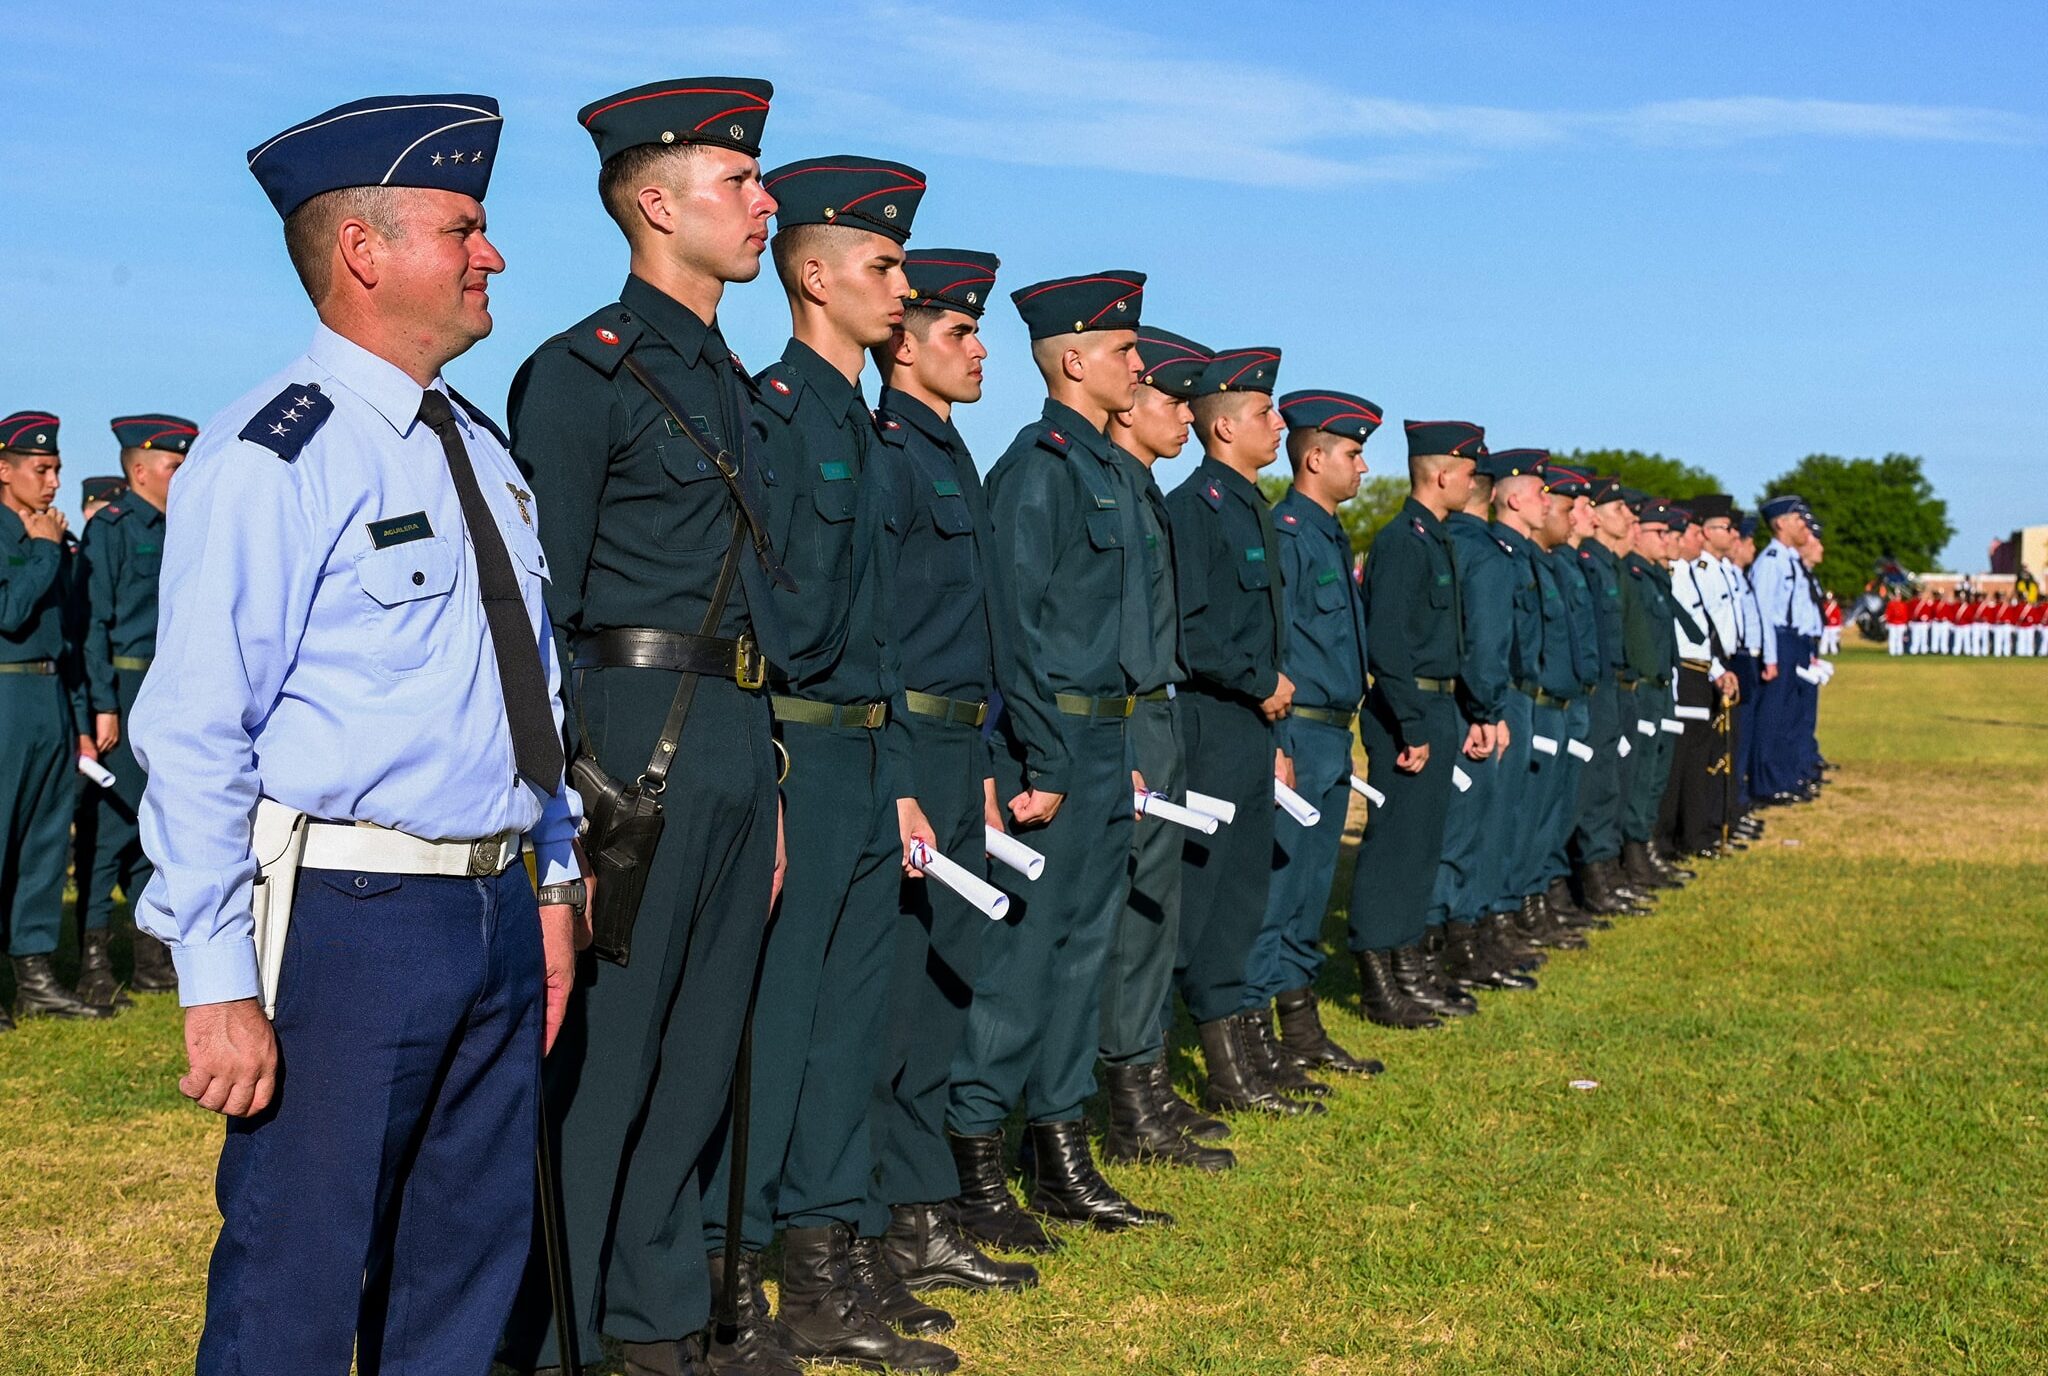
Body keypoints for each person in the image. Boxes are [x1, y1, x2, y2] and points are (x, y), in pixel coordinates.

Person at [132, 94, 589, 1375]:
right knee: (299, 1266)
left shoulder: (480, 450)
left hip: (494, 906)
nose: (492, 254)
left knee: (464, 1263)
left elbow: (524, 694)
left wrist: (550, 878)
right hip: (350, 911)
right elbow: (198, 724)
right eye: (466, 228)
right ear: (365, 252)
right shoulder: (279, 452)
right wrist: (216, 979)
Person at [494, 79, 792, 1376]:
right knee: (607, 1064)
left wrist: (766, 777)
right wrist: (552, 804)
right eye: (738, 183)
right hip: (624, 738)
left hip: (730, 735)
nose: (764, 202)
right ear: (656, 202)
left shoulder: (742, 388)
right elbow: (528, 611)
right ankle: (554, 1337)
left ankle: (658, 1324)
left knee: (697, 1053)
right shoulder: (579, 375)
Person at [695, 152, 959, 1376]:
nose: (900, 287)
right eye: (882, 265)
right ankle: (736, 1284)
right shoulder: (777, 413)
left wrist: (898, 763)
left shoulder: (863, 419)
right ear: (811, 274)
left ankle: (829, 1261)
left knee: (851, 1026)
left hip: (863, 753)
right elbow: (767, 611)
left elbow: (887, 631)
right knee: (780, 1028)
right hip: (797, 747)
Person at [949, 269, 1171, 1254]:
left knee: (1083, 948)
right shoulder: (1036, 469)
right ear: (1072, 359)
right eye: (1123, 350)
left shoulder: (1109, 470)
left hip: (1103, 735)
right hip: (1050, 740)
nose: (1137, 363)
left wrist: (1110, 743)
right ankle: (973, 1159)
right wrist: (1025, 752)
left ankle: (1061, 1144)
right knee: (1022, 956)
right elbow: (1011, 631)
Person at [866, 247, 1048, 1300]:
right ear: (903, 343)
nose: (980, 351)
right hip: (904, 749)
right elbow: (880, 632)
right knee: (892, 1005)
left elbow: (970, 634)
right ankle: (881, 1223)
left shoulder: (945, 451)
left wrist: (981, 762)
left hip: (953, 749)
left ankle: (920, 1213)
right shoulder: (889, 451)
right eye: (958, 334)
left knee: (939, 990)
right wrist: (903, 768)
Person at [1167, 346, 1334, 1112]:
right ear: (1226, 428)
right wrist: (1260, 680)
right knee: (1206, 900)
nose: (1279, 425)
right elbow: (1191, 630)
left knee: (1242, 897)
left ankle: (1244, 1062)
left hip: (1251, 730)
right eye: (1266, 415)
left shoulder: (1251, 508)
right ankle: (1219, 1067)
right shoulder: (1194, 507)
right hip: (1212, 722)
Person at [1098, 326, 1245, 1161]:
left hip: (1160, 713)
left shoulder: (1144, 492)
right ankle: (1128, 1105)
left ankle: (1145, 1086)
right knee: (1130, 919)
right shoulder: (1115, 488)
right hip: (1126, 721)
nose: (1187, 416)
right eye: (1172, 399)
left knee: (1156, 914)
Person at [1258, 390, 1388, 1070]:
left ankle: (1301, 1031)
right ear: (1315, 458)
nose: (1363, 469)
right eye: (1354, 454)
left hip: (1335, 733)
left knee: (1310, 886)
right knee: (1282, 886)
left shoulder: (1329, 534)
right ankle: (1263, 1037)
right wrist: (1277, 747)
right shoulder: (1285, 533)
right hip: (1298, 733)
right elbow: (1274, 650)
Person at [1346, 421, 1482, 1028]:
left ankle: (1410, 965)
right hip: (1410, 711)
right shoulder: (1402, 541)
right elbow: (1388, 643)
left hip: (1436, 706)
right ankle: (1380, 981)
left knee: (1422, 848)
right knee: (1394, 849)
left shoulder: (1436, 538)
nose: (1476, 481)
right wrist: (1411, 722)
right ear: (1442, 473)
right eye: (1470, 471)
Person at [71, 414, 195, 1009]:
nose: (182, 474)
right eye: (174, 465)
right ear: (140, 470)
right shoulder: (114, 528)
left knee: (162, 826)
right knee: (112, 830)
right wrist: (101, 705)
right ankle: (95, 963)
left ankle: (152, 957)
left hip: (174, 691)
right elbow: (91, 623)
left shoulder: (189, 526)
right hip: (124, 690)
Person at [1, 411, 110, 1028]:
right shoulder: (35, 540)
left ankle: (35, 974)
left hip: (50, 700)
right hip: (6, 698)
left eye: (58, 470)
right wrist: (44, 551)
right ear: (4, 470)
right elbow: (11, 614)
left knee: (45, 843)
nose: (52, 482)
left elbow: (67, 637)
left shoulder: (54, 538)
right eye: (40, 470)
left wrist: (81, 724)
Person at [1427, 447, 1545, 998]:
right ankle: (1454, 941)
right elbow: (1484, 644)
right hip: (1480, 703)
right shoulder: (1476, 550)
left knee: (1488, 827)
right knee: (1468, 831)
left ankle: (1468, 934)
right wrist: (1488, 710)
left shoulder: (1471, 545)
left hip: (1491, 700)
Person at [1615, 500, 1686, 890]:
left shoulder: (1656, 578)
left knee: (1655, 775)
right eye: (1659, 531)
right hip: (1641, 689)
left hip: (1660, 688)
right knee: (1638, 778)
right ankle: (1634, 856)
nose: (1666, 539)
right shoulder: (1634, 576)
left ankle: (1645, 847)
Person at [1663, 502, 1739, 860]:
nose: (1699, 538)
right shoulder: (1673, 574)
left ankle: (1694, 835)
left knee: (1697, 759)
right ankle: (1675, 839)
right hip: (1683, 671)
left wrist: (1717, 670)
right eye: (1691, 532)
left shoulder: (1689, 573)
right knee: (1681, 763)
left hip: (1700, 668)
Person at [1746, 494, 1822, 805]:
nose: (1803, 525)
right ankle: (1767, 782)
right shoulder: (1771, 562)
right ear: (1780, 524)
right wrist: (1771, 656)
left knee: (1790, 715)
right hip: (1779, 639)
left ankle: (1786, 776)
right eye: (1796, 520)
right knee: (1773, 717)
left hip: (1795, 641)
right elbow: (1763, 611)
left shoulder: (1790, 560)